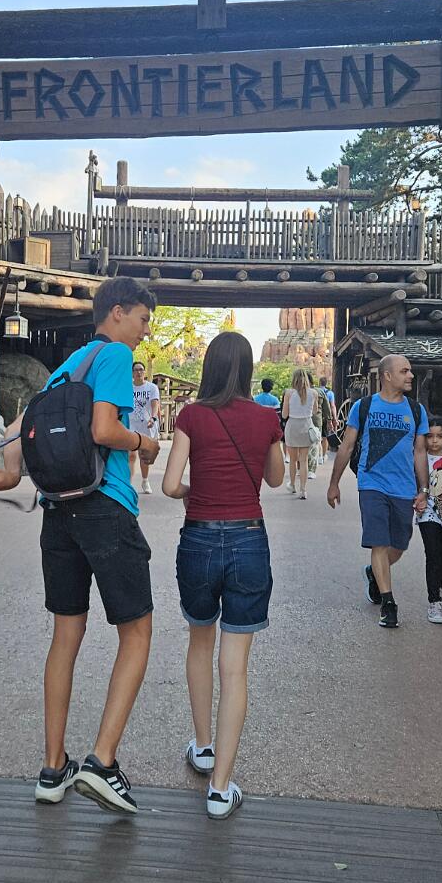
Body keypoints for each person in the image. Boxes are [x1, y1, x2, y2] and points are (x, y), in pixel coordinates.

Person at [0, 276, 159, 813]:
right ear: (118, 312)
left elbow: (18, 426)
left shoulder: (66, 366)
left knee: (65, 636)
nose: (145, 331)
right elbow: (104, 430)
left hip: (58, 513)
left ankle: (52, 768)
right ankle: (102, 762)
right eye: (143, 319)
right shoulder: (115, 356)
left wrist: (11, 474)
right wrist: (143, 442)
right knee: (137, 632)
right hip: (106, 506)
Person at [162, 331, 285, 820]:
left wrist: (192, 491)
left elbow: (170, 484)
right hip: (248, 539)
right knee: (235, 667)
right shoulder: (266, 418)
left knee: (199, 642)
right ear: (249, 369)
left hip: (197, 539)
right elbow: (275, 478)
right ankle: (220, 789)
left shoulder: (191, 415)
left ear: (208, 367)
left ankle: (203, 746)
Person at [327, 354, 429, 629]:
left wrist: (424, 488)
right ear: (387, 375)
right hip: (371, 484)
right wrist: (334, 483)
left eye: (410, 371)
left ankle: (374, 572)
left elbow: (420, 452)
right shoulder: (364, 406)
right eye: (404, 371)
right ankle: (388, 603)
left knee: (400, 544)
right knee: (379, 542)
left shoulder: (416, 410)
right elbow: (347, 446)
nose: (410, 375)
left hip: (404, 487)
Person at [416, 416, 442, 624]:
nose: (434, 440)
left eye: (439, 436)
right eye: (430, 436)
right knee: (432, 555)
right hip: (426, 513)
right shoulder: (419, 459)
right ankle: (434, 601)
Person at [281, 367, 318, 499]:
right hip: (306, 426)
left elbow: (284, 415)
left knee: (293, 460)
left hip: (292, 427)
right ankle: (303, 489)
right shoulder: (314, 393)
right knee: (304, 460)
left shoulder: (289, 393)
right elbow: (315, 411)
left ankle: (292, 485)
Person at [128, 360, 161, 495]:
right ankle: (129, 483)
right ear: (132, 373)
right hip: (131, 424)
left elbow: (155, 404)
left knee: (143, 455)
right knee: (131, 455)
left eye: (141, 369)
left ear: (144, 372)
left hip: (146, 425)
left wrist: (153, 417)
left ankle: (145, 480)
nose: (139, 372)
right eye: (136, 370)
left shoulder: (152, 388)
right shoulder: (127, 388)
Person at [318, 376, 337, 463]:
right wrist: (334, 418)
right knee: (325, 437)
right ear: (326, 383)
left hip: (317, 416)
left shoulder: (316, 391)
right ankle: (323, 456)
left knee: (317, 437)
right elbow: (332, 406)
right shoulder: (330, 393)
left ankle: (318, 455)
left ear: (319, 383)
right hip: (326, 417)